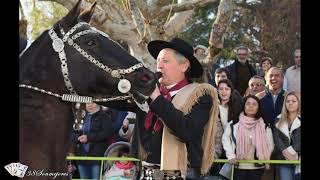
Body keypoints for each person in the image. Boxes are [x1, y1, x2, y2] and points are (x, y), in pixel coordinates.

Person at [131, 37, 219, 179]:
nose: (159, 66)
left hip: (182, 175)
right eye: (158, 61)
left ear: (183, 66)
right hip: (147, 173)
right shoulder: (149, 93)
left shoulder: (201, 95)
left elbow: (186, 131)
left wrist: (157, 98)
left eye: (165, 61)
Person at [222, 95, 274, 180]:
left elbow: (270, 144)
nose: (251, 106)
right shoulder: (234, 123)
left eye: (254, 104)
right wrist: (231, 156)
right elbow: (225, 139)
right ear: (244, 106)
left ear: (258, 108)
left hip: (257, 167)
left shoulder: (264, 125)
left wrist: (265, 159)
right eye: (248, 103)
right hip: (238, 166)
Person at [71, 102, 113, 179]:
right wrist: (78, 138)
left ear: (98, 104)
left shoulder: (105, 117)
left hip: (96, 157)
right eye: (87, 103)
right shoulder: (81, 117)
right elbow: (72, 133)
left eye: (93, 103)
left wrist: (88, 138)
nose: (89, 105)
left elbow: (106, 133)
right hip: (81, 157)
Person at [273, 92, 301, 180]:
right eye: (288, 101)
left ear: (299, 103)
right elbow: (276, 138)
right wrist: (284, 151)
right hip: (283, 158)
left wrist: (291, 151)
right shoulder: (278, 119)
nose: (290, 103)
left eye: (294, 101)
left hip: (299, 158)